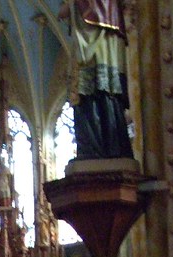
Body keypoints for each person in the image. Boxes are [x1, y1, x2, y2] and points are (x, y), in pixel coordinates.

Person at [61, 0, 134, 160]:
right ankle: (99, 148)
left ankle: (99, 148)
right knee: (96, 91)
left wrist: (72, 6)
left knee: (98, 90)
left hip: (99, 39)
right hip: (100, 35)